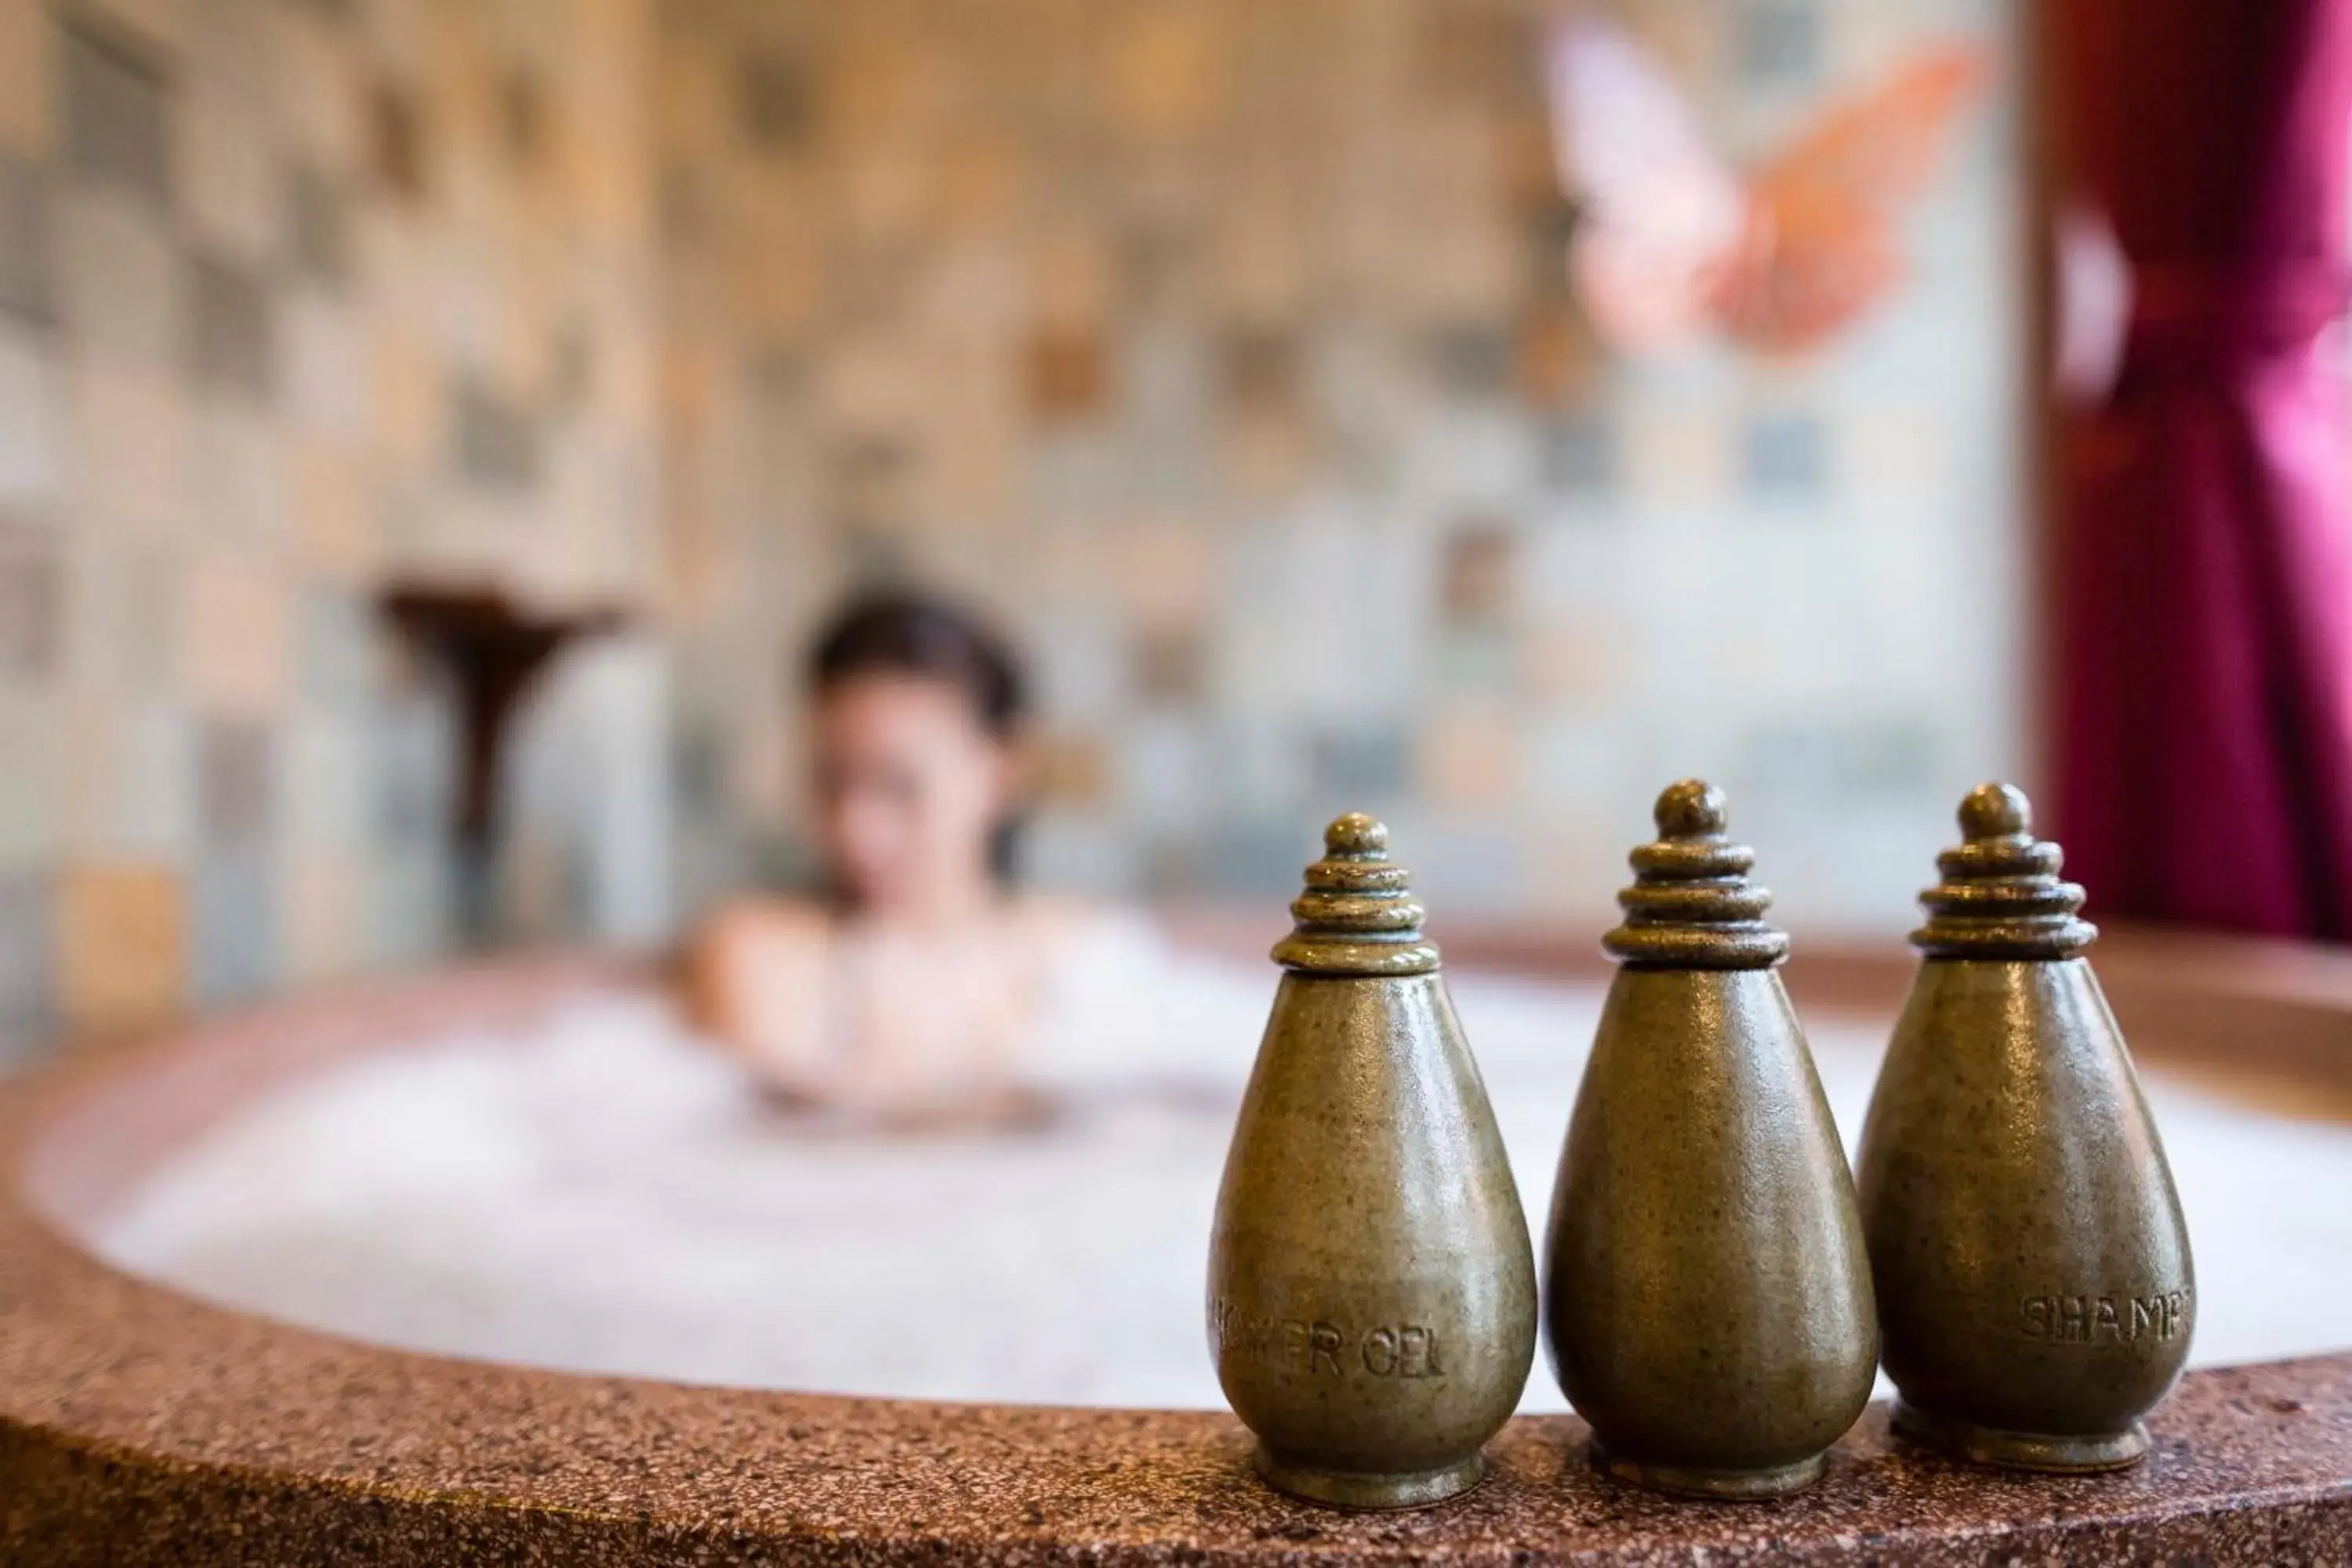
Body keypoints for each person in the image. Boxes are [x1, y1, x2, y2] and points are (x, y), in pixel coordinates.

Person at [686, 590, 1098, 1127]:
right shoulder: (764, 953)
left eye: (902, 787)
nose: (858, 831)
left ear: (1004, 772)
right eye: (832, 782)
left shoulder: (1082, 956)